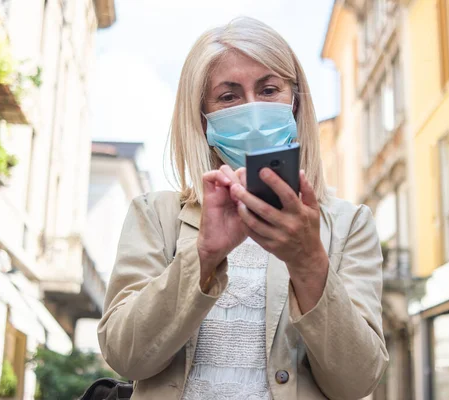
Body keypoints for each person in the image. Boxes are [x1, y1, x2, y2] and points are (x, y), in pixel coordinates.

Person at [98, 17, 388, 400]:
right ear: (203, 120)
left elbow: (357, 381)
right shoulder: (155, 215)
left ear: (294, 102)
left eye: (269, 89)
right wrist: (203, 258)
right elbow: (125, 357)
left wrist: (308, 261)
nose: (253, 109)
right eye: (229, 96)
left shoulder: (349, 224)